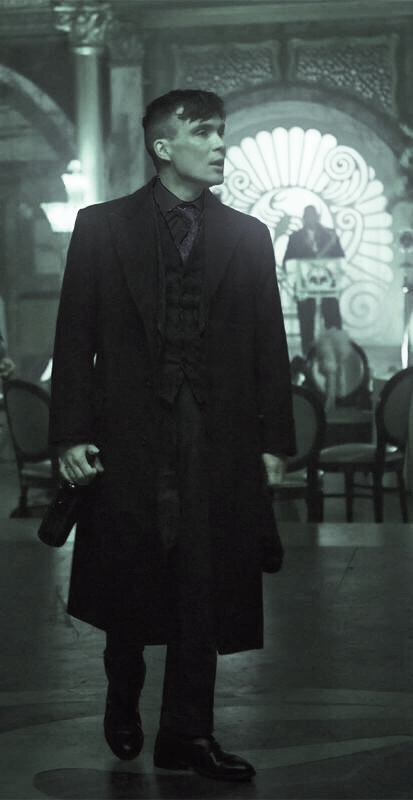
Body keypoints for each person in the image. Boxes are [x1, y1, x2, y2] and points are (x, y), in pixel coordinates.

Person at [49, 89, 296, 782]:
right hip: (127, 433)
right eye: (205, 133)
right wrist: (69, 435)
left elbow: (267, 345)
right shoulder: (100, 227)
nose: (221, 145)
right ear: (164, 147)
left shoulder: (247, 235)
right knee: (130, 567)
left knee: (203, 579)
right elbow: (74, 338)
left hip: (216, 434)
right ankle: (122, 686)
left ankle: (187, 734)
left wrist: (272, 442)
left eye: (222, 133)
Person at [283, 205, 345, 355]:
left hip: (328, 286)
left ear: (318, 217)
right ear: (303, 218)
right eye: (307, 216)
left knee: (332, 320)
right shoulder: (295, 237)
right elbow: (287, 261)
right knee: (306, 322)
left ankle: (335, 354)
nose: (310, 219)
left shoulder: (330, 235)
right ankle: (308, 356)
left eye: (313, 216)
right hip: (304, 286)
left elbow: (341, 258)